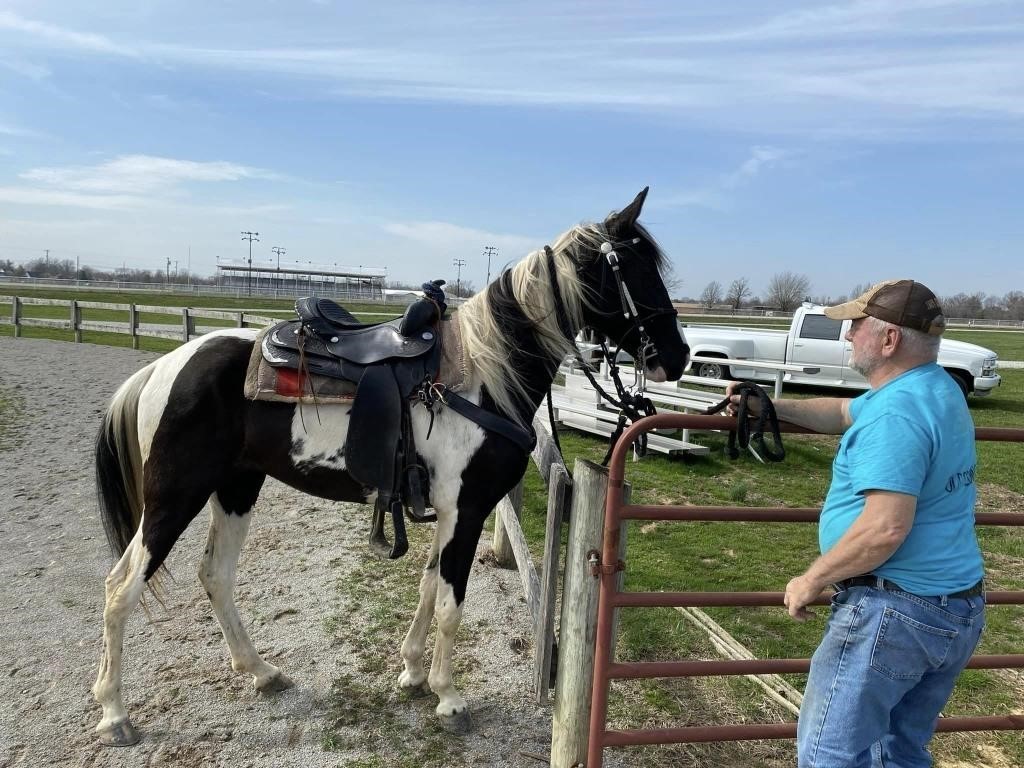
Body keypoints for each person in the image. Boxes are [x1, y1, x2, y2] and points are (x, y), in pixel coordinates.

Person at [727, 279, 985, 768]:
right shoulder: (934, 388)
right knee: (898, 752)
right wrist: (773, 406)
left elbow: (885, 528)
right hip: (955, 606)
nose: (846, 336)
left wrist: (813, 578)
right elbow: (844, 410)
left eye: (856, 326)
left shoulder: (898, 412)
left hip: (894, 612)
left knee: (831, 755)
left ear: (888, 341)